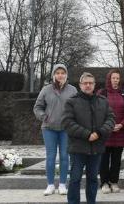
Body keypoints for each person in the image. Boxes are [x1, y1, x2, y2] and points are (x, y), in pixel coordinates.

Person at [62, 72, 115, 204]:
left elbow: (111, 119)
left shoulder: (103, 101)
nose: (88, 85)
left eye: (90, 83)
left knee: (93, 179)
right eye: (85, 83)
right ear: (80, 85)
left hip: (96, 147)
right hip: (78, 148)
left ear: (94, 85)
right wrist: (87, 134)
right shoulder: (71, 102)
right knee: (75, 179)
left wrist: (99, 133)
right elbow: (67, 122)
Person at [33, 63, 77, 196]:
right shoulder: (46, 89)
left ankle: (62, 184)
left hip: (66, 129)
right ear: (53, 75)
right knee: (50, 156)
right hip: (49, 128)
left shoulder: (72, 90)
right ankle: (50, 185)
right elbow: (37, 107)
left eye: (62, 73)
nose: (60, 75)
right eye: (57, 73)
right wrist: (43, 116)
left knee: (64, 156)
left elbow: (77, 107)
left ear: (66, 75)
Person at [97, 69, 124, 194]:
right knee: (104, 159)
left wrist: (122, 124)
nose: (116, 80)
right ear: (109, 79)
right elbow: (98, 111)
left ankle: (114, 182)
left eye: (117, 78)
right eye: (113, 78)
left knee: (117, 160)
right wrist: (108, 125)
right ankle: (104, 183)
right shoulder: (102, 93)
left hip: (120, 132)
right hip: (105, 132)